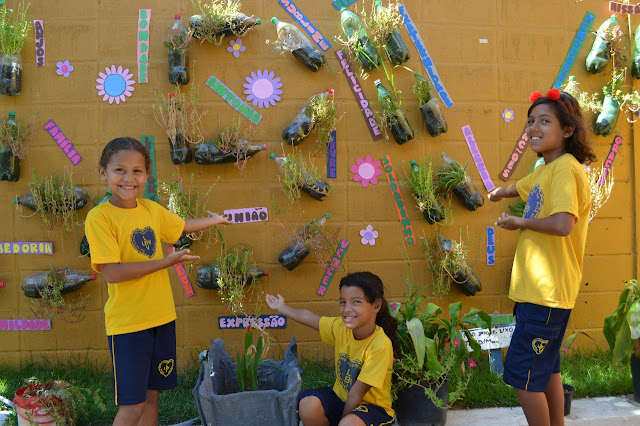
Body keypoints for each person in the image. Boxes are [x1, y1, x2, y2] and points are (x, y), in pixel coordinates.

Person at [85, 137, 232, 426]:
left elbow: (181, 226)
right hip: (129, 325)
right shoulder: (99, 217)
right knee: (133, 405)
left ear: (147, 175)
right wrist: (165, 262)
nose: (129, 178)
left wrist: (214, 221)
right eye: (120, 170)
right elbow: (112, 272)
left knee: (152, 398)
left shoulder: (150, 209)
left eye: (137, 171)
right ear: (103, 172)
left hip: (161, 319)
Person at [488, 89, 596, 426]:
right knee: (546, 371)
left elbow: (564, 224)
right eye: (530, 121)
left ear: (567, 130)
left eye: (544, 121)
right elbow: (519, 186)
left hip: (546, 296)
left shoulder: (565, 169)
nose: (533, 127)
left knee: (522, 377)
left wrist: (518, 221)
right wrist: (495, 193)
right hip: (540, 295)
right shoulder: (546, 169)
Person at [265, 272, 398, 426]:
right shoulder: (341, 328)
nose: (347, 309)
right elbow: (310, 318)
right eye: (342, 302)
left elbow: (356, 394)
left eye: (356, 302)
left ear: (376, 305)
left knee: (348, 424)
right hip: (341, 401)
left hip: (372, 410)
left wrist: (342, 421)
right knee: (308, 404)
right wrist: (282, 307)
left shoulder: (380, 345)